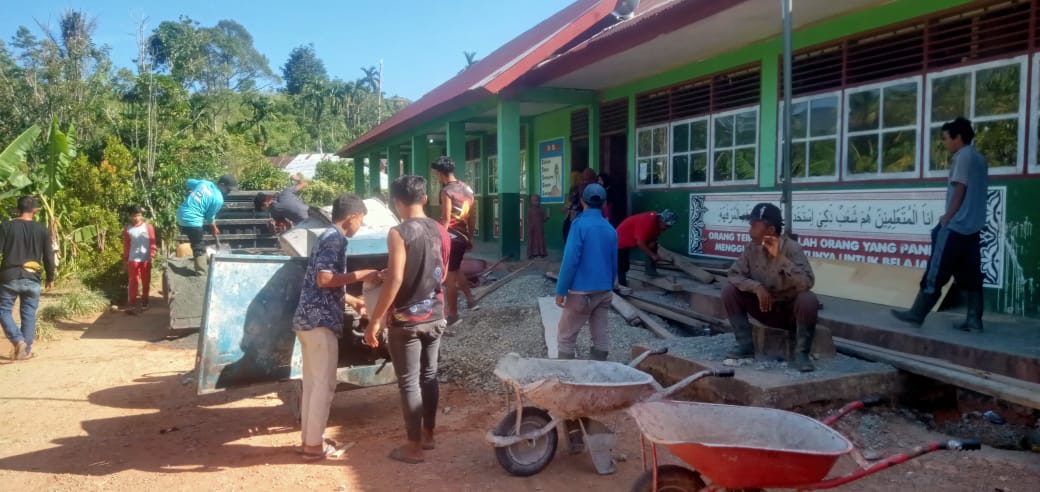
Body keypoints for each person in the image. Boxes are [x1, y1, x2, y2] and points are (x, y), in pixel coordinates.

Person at [363, 175, 451, 465]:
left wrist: (375, 320)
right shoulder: (441, 230)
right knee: (429, 375)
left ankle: (412, 447)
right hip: (436, 315)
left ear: (397, 203)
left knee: (409, 382)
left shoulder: (398, 232)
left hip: (407, 320)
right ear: (425, 199)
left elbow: (397, 277)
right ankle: (429, 436)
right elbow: (443, 275)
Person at [291, 194, 376, 460]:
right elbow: (325, 279)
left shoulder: (325, 236)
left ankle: (310, 440)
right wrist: (361, 275)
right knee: (324, 385)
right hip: (320, 322)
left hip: (308, 320)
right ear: (352, 217)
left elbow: (322, 283)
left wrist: (352, 299)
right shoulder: (335, 239)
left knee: (313, 384)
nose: (360, 226)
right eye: (361, 220)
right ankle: (314, 446)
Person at [892, 117, 989, 332]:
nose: (944, 143)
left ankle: (917, 314)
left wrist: (947, 218)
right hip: (973, 230)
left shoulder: (962, 157)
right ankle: (974, 320)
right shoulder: (980, 159)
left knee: (936, 272)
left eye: (946, 138)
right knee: (972, 275)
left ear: (958, 137)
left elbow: (960, 190)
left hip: (955, 228)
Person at [723, 203, 818, 372]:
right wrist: (756, 287)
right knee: (730, 291)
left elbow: (806, 283)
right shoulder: (751, 249)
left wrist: (780, 259)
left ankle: (802, 353)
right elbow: (733, 274)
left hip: (789, 314)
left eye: (754, 226)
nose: (749, 231)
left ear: (771, 230)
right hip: (764, 308)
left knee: (808, 299)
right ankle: (745, 346)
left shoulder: (791, 248)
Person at [555, 183, 617, 361]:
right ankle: (597, 373)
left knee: (566, 336)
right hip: (604, 291)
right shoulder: (610, 229)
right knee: (600, 335)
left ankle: (565, 376)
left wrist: (561, 290)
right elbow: (614, 263)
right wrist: (609, 285)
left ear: (582, 201)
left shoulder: (579, 225)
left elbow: (570, 260)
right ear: (604, 203)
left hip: (581, 293)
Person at [0, 196, 55, 361]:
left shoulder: (6, 227)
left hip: (9, 277)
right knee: (29, 314)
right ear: (35, 211)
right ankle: (26, 349)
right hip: (32, 277)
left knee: (3, 310)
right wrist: (50, 277)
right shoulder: (42, 229)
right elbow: (48, 257)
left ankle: (18, 341)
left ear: (17, 210)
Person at [431, 156, 478, 327]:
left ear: (440, 173)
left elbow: (445, 219)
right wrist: (470, 237)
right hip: (463, 236)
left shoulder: (446, 192)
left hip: (451, 237)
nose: (436, 177)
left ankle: (453, 315)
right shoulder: (468, 189)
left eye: (436, 174)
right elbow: (472, 216)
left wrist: (439, 240)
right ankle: (472, 301)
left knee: (449, 278)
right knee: (457, 269)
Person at [176, 174, 236, 275]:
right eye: (228, 189)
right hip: (192, 219)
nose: (229, 192)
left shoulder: (204, 183)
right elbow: (210, 217)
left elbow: (188, 181)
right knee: (198, 245)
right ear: (221, 185)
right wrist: (214, 227)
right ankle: (201, 273)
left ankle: (204, 260)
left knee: (195, 238)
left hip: (180, 214)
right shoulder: (218, 199)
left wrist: (191, 192)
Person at [615, 209, 678, 286]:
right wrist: (652, 255)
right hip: (621, 239)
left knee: (653, 246)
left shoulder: (657, 222)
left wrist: (653, 242)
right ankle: (622, 284)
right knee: (623, 265)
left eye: (669, 227)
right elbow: (640, 242)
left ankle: (650, 272)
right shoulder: (647, 222)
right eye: (666, 226)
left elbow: (654, 235)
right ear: (661, 220)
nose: (667, 228)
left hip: (634, 238)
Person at [122, 206, 156, 314]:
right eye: (134, 216)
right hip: (133, 259)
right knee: (133, 281)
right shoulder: (128, 228)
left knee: (146, 280)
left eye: (138, 215)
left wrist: (152, 254)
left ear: (141, 215)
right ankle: (131, 302)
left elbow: (152, 241)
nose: (136, 218)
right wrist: (125, 258)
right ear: (130, 216)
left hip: (145, 258)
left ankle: (145, 300)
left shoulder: (148, 227)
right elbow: (126, 244)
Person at [527, 194, 549, 259]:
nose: (537, 202)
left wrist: (547, 217)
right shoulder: (530, 210)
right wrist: (529, 226)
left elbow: (544, 219)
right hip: (532, 228)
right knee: (531, 240)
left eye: (538, 200)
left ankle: (541, 252)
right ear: (531, 201)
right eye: (535, 201)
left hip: (539, 228)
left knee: (540, 240)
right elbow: (528, 219)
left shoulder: (541, 210)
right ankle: (531, 253)